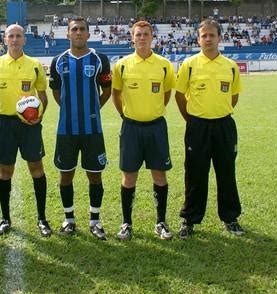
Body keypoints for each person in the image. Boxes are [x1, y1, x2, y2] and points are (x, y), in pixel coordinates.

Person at [174, 19, 245, 239]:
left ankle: (230, 218)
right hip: (197, 127)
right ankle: (190, 220)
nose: (207, 39)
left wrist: (219, 113)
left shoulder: (231, 66)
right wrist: (192, 119)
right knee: (195, 173)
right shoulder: (190, 64)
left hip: (224, 126)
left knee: (226, 172)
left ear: (219, 38)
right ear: (198, 39)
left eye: (212, 35)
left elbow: (233, 97)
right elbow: (179, 95)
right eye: (203, 35)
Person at [111, 21, 175, 241]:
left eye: (146, 34)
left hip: (156, 127)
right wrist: (125, 115)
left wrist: (153, 111)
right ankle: (126, 223)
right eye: (138, 34)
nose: (142, 38)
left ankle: (161, 222)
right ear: (132, 38)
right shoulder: (121, 65)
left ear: (152, 37)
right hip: (131, 128)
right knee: (129, 176)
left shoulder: (165, 64)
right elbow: (116, 95)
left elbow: (166, 95)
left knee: (159, 174)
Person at [49, 17, 112, 240]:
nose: (78, 33)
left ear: (88, 34)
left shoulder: (99, 59)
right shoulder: (58, 61)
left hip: (92, 130)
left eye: (82, 29)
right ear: (68, 34)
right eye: (74, 29)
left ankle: (95, 221)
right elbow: (56, 92)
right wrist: (69, 109)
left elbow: (107, 90)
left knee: (95, 176)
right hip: (66, 130)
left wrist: (92, 109)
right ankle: (69, 219)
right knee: (66, 176)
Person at [0, 24, 51, 238]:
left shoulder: (34, 65)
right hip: (4, 123)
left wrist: (38, 116)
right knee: (5, 171)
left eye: (18, 36)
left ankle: (42, 219)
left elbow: (43, 96)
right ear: (4, 40)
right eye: (10, 36)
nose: (14, 39)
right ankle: (5, 218)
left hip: (29, 126)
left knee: (37, 168)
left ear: (24, 39)